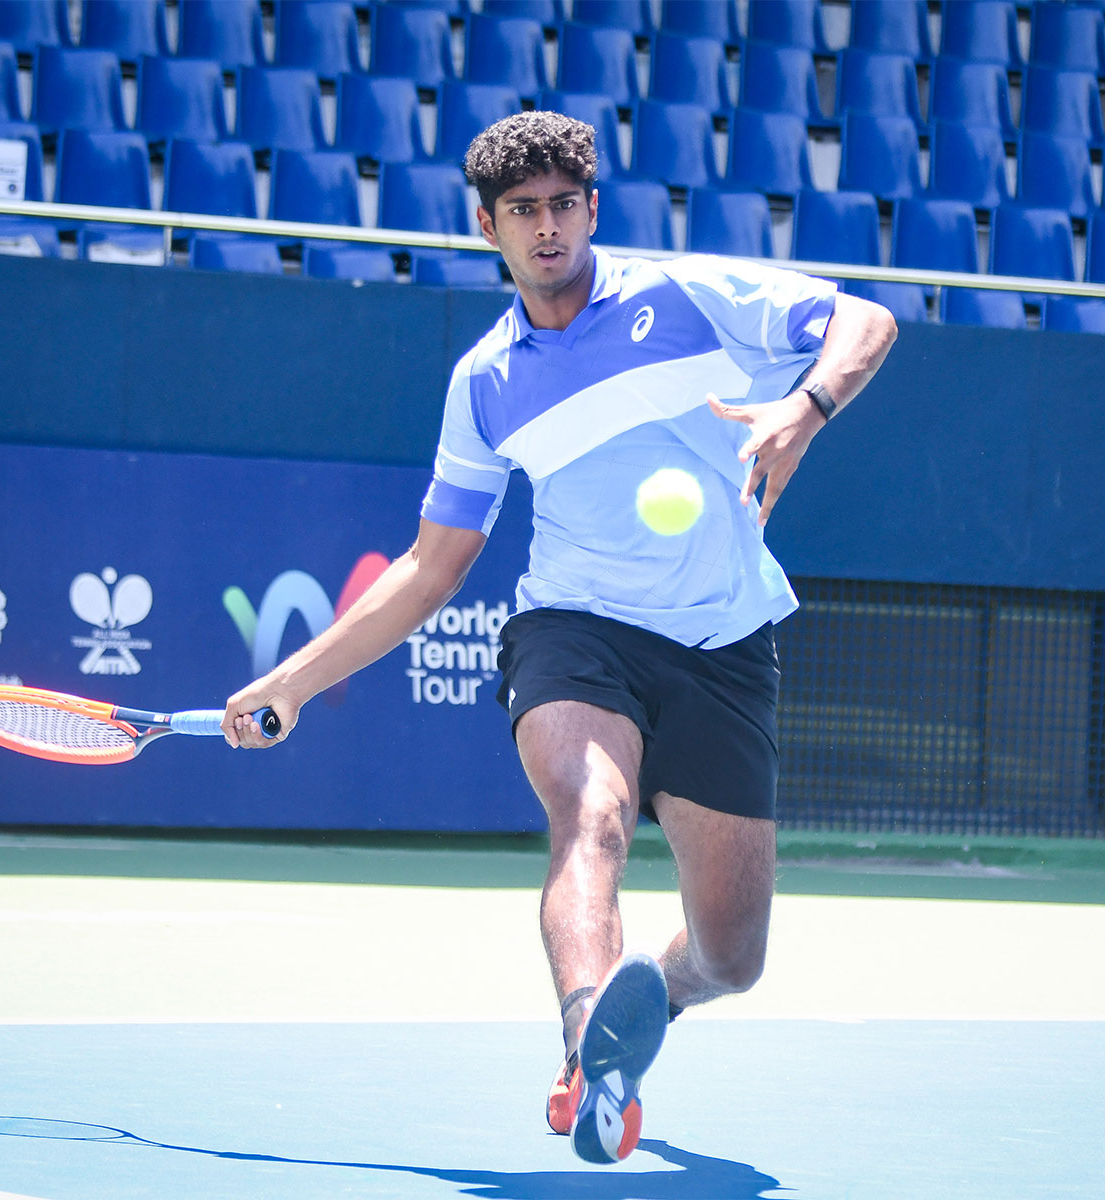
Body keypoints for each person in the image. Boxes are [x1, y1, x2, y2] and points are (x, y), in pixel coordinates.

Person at [223, 112, 897, 1164]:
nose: (546, 228)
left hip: (724, 642)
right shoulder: (484, 383)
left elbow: (865, 319)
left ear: (591, 207)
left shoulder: (685, 297)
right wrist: (297, 682)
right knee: (593, 814)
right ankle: (588, 1040)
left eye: (562, 205)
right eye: (521, 212)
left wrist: (806, 407)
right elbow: (430, 567)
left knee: (731, 957)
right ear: (488, 227)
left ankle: (643, 1016)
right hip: (573, 631)